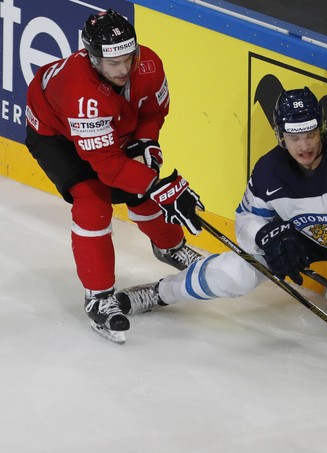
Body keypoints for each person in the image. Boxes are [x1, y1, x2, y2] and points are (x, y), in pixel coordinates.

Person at [116, 87, 327, 347]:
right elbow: (246, 221)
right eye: (294, 138)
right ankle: (159, 292)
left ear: (321, 128)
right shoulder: (269, 172)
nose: (305, 146)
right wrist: (266, 237)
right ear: (281, 135)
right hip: (313, 233)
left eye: (310, 134)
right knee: (238, 272)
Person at [24, 9, 204, 342]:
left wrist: (147, 145)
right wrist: (158, 186)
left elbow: (153, 112)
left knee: (144, 182)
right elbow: (107, 165)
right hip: (56, 134)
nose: (124, 69)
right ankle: (99, 296)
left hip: (109, 126)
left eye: (128, 58)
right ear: (93, 59)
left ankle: (170, 246)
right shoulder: (81, 93)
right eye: (113, 63)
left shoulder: (147, 64)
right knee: (93, 203)